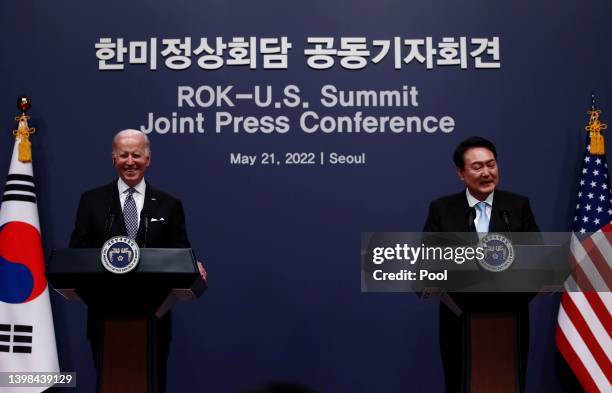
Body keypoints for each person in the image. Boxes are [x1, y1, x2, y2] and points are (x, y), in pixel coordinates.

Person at [69, 129, 205, 393]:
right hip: (104, 316)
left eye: (136, 155)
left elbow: (181, 253)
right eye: (123, 155)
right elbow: (77, 253)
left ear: (148, 159)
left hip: (154, 319)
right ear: (114, 159)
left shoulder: (169, 204)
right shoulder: (92, 201)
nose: (130, 161)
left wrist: (193, 266)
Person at [422, 136, 539, 393]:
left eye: (492, 165)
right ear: (461, 173)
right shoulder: (442, 209)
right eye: (477, 167)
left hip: (510, 320)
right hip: (460, 322)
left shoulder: (517, 206)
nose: (487, 172)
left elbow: (539, 262)